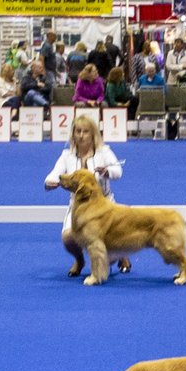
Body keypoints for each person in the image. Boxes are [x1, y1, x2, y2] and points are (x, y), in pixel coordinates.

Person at [44, 113, 127, 275]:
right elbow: (53, 175)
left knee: (107, 254)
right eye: (78, 131)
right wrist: (50, 182)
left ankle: (120, 253)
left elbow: (118, 171)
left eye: (86, 132)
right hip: (78, 207)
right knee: (68, 239)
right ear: (73, 134)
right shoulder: (66, 155)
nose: (81, 136)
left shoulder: (104, 152)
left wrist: (107, 172)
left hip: (104, 205)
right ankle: (80, 261)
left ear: (93, 134)